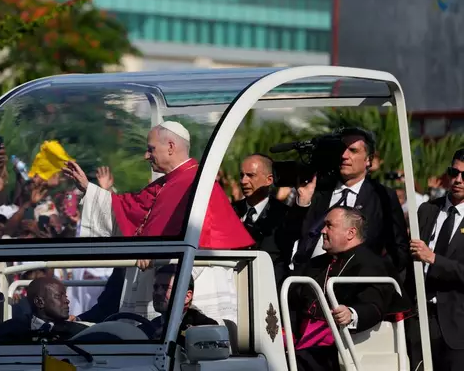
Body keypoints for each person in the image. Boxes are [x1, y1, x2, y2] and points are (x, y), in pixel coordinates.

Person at [63, 121, 253, 320]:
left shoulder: (197, 181)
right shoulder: (166, 182)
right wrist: (89, 189)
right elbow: (129, 208)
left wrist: (155, 250)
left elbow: (200, 233)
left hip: (194, 283)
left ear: (170, 147)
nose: (146, 155)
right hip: (158, 278)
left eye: (150, 149)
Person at [289, 207, 411, 371]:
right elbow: (293, 300)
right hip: (302, 340)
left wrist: (351, 313)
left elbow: (374, 304)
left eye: (329, 225)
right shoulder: (315, 264)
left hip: (341, 347)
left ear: (350, 233)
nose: (323, 231)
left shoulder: (372, 264)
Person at [290, 127, 410, 275]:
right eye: (341, 150)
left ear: (369, 159)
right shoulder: (317, 190)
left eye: (353, 151)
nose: (344, 155)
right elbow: (291, 235)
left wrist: (372, 275)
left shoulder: (383, 196)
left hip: (356, 284)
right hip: (307, 280)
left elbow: (399, 250)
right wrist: (302, 203)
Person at [408, 148, 464, 371]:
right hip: (420, 319)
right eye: (454, 172)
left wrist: (433, 259)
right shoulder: (427, 209)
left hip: (457, 324)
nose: (458, 180)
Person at [233, 154, 291, 289]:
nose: (243, 181)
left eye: (250, 175)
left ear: (269, 180)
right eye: (242, 175)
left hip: (269, 289)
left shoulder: (284, 214)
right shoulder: (229, 211)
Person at [0, 276, 86, 342]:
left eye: (65, 296)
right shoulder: (8, 331)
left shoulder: (80, 333)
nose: (67, 301)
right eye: (58, 296)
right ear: (39, 302)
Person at [151, 265, 217, 347]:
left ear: (187, 297)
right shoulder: (149, 327)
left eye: (166, 287)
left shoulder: (205, 328)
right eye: (155, 287)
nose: (158, 292)